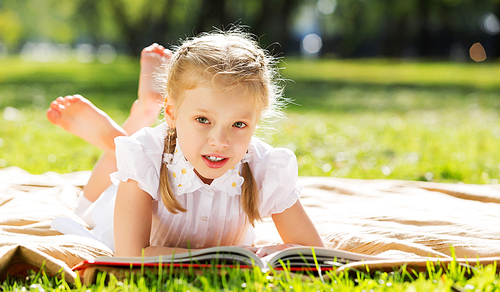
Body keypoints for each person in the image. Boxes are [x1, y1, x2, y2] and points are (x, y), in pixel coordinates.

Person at [47, 30, 325, 258]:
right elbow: (131, 256)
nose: (220, 141)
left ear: (256, 123)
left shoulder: (266, 168)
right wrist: (226, 257)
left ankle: (132, 125)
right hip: (115, 203)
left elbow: (317, 255)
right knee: (94, 198)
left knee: (133, 152)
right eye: (203, 119)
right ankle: (137, 119)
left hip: (156, 152)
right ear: (172, 113)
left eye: (239, 124)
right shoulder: (146, 156)